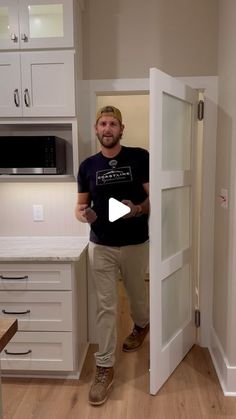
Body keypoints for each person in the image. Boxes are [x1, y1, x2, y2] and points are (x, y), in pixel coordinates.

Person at [75, 105, 149, 406]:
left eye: (113, 124)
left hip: (134, 242)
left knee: (136, 295)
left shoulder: (139, 157)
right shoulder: (87, 166)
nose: (108, 129)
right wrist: (85, 215)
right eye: (103, 123)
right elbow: (79, 207)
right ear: (96, 129)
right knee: (106, 306)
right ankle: (104, 367)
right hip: (101, 245)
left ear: (122, 129)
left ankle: (142, 325)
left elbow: (153, 196)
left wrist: (139, 209)